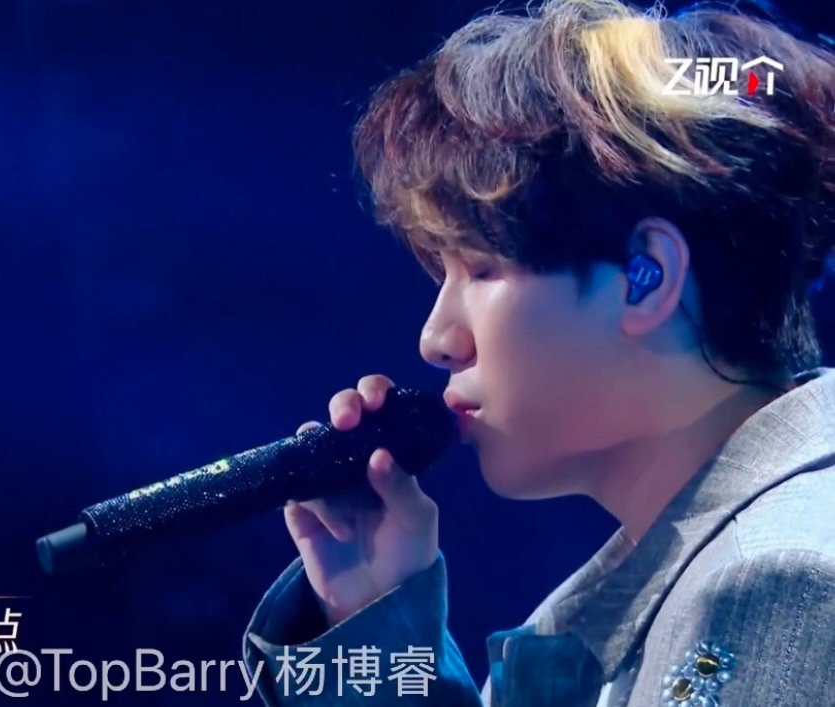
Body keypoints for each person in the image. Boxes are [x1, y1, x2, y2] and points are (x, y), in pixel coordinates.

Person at [241, 1, 835, 705]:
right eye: (441, 275)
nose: (436, 340)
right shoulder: (654, 588)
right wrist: (374, 613)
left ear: (646, 275)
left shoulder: (775, 577)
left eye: (482, 269)